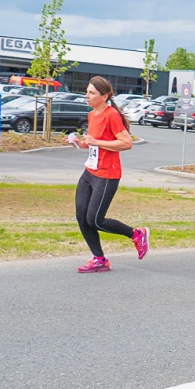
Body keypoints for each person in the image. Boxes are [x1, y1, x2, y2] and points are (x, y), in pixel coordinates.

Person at [72, 76, 149, 273]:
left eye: (92, 93)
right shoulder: (92, 115)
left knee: (96, 220)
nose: (87, 96)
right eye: (87, 92)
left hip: (107, 174)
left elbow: (126, 143)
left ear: (104, 96)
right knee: (81, 216)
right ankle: (99, 259)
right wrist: (80, 143)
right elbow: (92, 143)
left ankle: (136, 234)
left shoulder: (111, 115)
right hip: (90, 171)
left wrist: (97, 142)